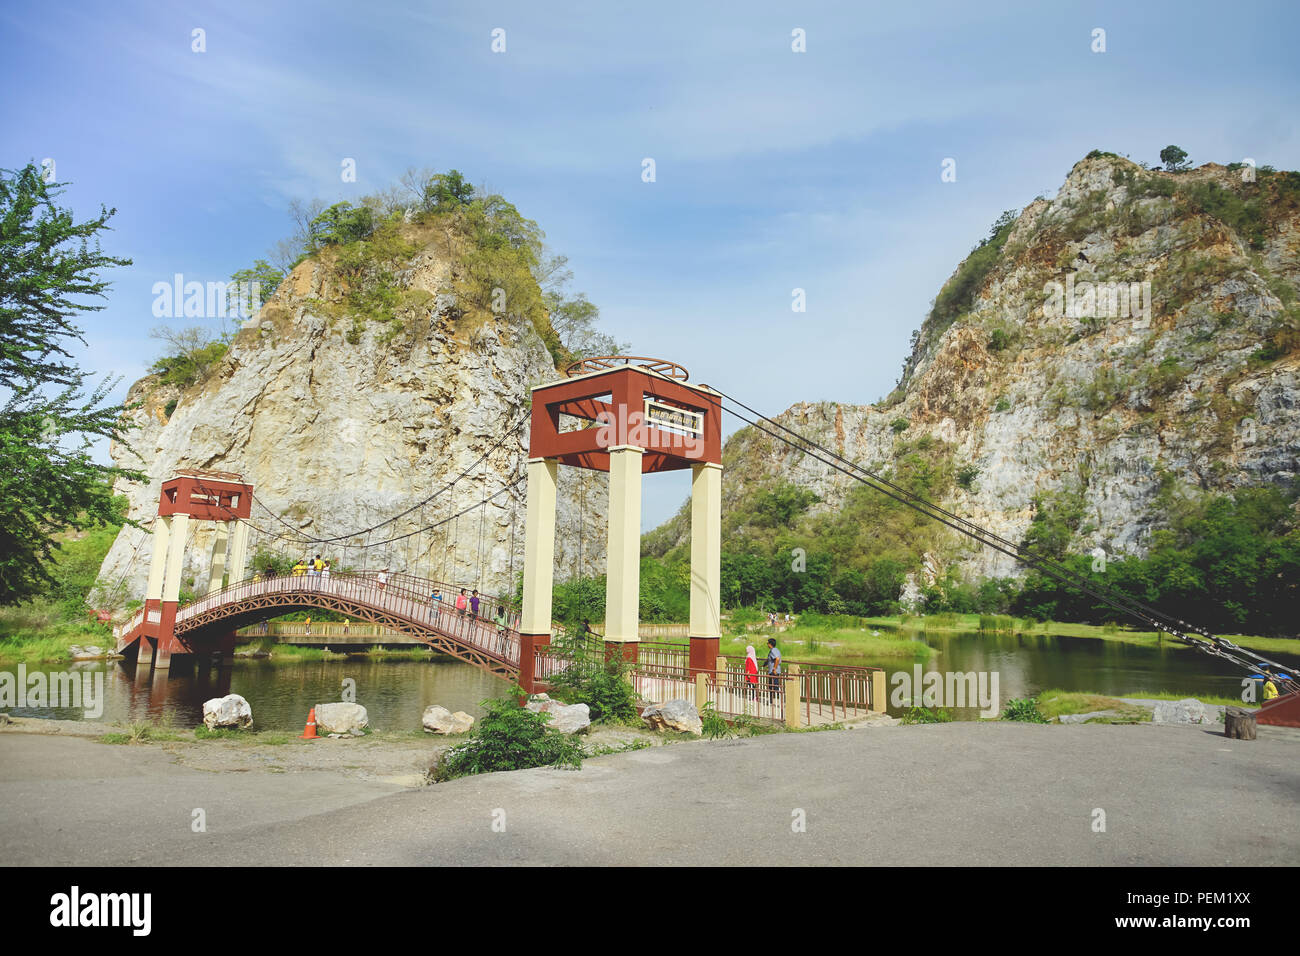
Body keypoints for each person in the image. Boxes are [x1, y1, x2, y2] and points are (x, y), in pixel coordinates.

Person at [764, 637, 783, 704]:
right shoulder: (775, 650)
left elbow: (777, 659)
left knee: (775, 686)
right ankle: (771, 701)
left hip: (773, 671)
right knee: (772, 686)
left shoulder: (773, 650)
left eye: (767, 643)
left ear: (770, 644)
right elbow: (771, 659)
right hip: (773, 671)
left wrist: (774, 668)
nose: (767, 645)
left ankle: (781, 700)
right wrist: (766, 664)